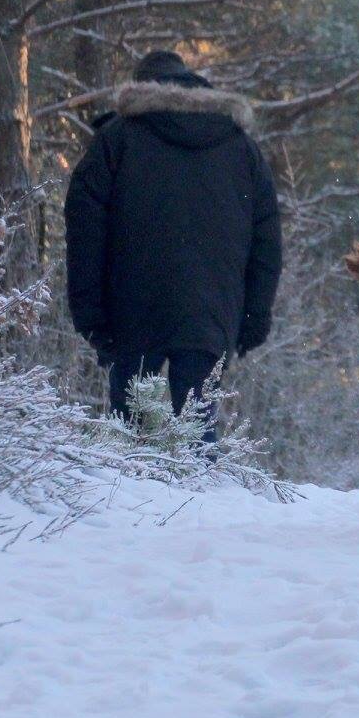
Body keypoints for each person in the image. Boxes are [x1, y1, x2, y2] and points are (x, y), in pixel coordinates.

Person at [65, 50, 281, 441]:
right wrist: (254, 318)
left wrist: (90, 314)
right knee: (197, 431)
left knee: (130, 435)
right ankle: (200, 480)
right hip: (210, 312)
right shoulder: (240, 148)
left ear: (140, 87)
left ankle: (131, 479)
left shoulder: (116, 139)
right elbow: (266, 240)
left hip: (130, 309)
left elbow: (85, 231)